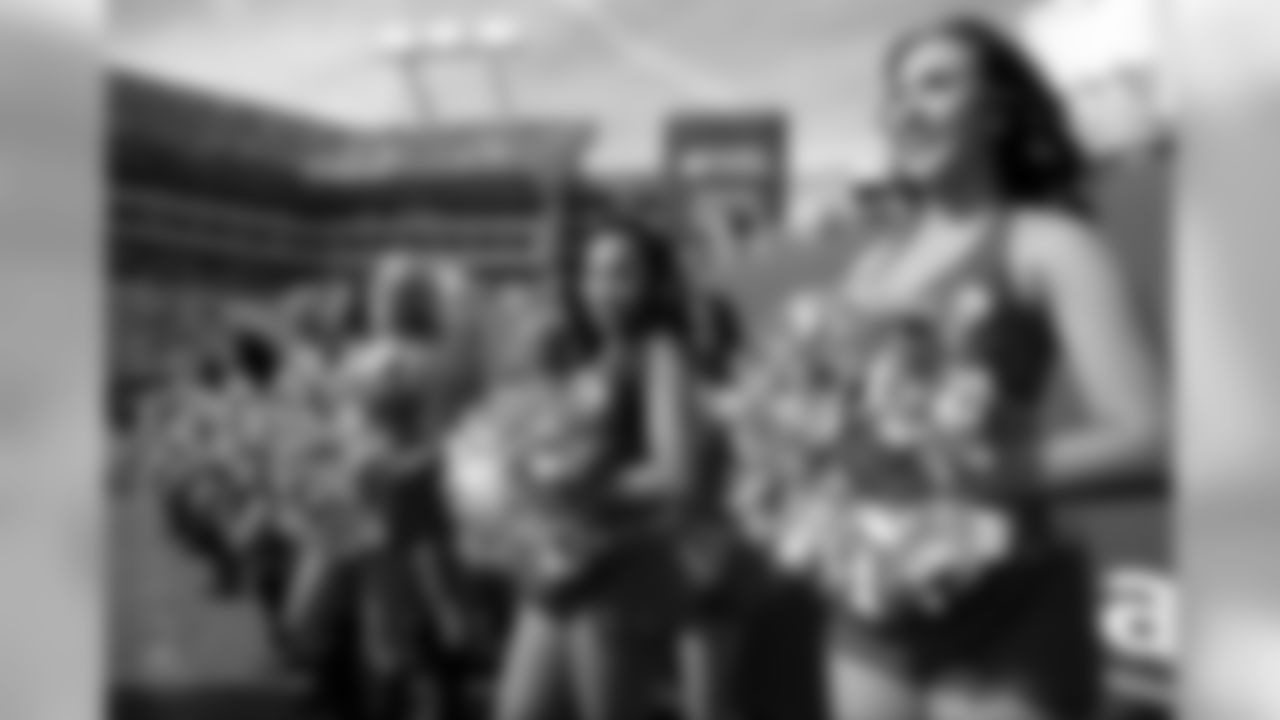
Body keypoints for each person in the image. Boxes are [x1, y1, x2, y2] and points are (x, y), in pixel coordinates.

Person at [822, 17, 1166, 720]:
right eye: (897, 94)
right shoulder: (868, 267)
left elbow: (1153, 442)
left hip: (1007, 623)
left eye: (938, 85)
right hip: (870, 617)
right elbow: (833, 430)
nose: (907, 110)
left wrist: (958, 472)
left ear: (997, 113)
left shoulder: (1050, 244)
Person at [491, 199, 702, 720]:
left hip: (619, 569)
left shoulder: (659, 352)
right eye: (592, 273)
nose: (602, 289)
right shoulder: (586, 355)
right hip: (560, 563)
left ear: (653, 283)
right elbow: (547, 445)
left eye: (621, 274)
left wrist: (572, 487)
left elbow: (677, 474)